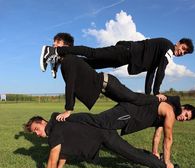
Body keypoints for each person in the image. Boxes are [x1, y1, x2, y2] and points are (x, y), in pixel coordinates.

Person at [23, 104, 195, 168]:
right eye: (34, 133)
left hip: (104, 134)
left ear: (42, 121)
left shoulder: (55, 131)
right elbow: (62, 153)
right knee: (131, 153)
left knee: (132, 155)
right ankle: (157, 161)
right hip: (99, 136)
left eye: (36, 129)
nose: (37, 134)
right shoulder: (56, 124)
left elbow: (52, 160)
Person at [39, 33, 168, 122]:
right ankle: (55, 58)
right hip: (118, 64)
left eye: (57, 43)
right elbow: (71, 81)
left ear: (66, 46)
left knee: (93, 54)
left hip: (118, 64)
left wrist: (68, 109)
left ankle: (55, 55)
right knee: (90, 61)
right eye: (53, 44)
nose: (54, 44)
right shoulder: (72, 61)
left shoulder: (165, 50)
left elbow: (70, 84)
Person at [65, 95, 195, 168]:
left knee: (99, 125)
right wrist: (167, 161)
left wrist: (155, 152)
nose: (183, 118)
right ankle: (66, 119)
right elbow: (168, 139)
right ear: (183, 107)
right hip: (128, 113)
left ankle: (72, 131)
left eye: (186, 119)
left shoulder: (168, 114)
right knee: (99, 121)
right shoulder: (170, 111)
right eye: (185, 114)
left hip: (128, 115)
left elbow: (158, 135)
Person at [40, 33, 194, 94]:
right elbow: (161, 72)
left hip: (123, 59)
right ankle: (54, 51)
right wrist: (157, 93)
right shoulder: (167, 47)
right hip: (126, 51)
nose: (182, 52)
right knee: (94, 53)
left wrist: (149, 96)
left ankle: (61, 59)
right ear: (178, 43)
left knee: (91, 64)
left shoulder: (161, 55)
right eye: (183, 48)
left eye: (185, 53)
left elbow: (152, 73)